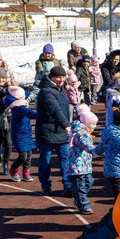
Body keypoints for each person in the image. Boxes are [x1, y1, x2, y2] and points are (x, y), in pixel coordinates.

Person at [36, 66, 72, 196]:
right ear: (51, 77)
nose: (61, 79)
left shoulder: (61, 89)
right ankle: (46, 185)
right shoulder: (46, 92)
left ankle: (68, 186)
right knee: (45, 160)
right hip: (47, 132)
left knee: (65, 159)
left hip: (61, 132)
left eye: (63, 77)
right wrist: (67, 125)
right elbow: (55, 109)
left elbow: (65, 110)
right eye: (58, 77)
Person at [67, 105, 99, 214]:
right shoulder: (81, 134)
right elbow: (86, 145)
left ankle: (78, 197)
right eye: (93, 124)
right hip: (78, 164)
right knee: (81, 185)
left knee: (89, 182)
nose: (95, 126)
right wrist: (96, 150)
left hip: (84, 164)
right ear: (87, 123)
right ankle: (84, 205)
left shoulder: (84, 132)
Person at [5, 86, 36, 182]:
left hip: (27, 132)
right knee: (23, 156)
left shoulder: (21, 99)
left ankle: (26, 172)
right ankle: (13, 169)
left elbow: (27, 92)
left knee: (29, 154)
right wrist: (43, 114)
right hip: (19, 134)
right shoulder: (18, 107)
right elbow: (30, 113)